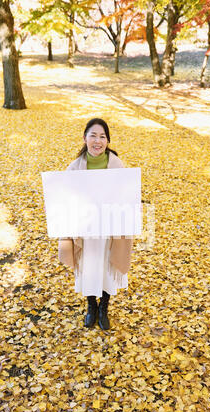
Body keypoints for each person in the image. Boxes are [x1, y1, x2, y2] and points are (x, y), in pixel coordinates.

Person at [58, 118, 133, 330]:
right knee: (89, 267)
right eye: (93, 135)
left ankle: (104, 308)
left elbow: (127, 196)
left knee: (107, 267)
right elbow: (63, 197)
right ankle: (91, 305)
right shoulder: (74, 168)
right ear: (85, 138)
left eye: (102, 136)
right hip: (86, 230)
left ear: (108, 141)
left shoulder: (117, 165)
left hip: (109, 229)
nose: (98, 141)